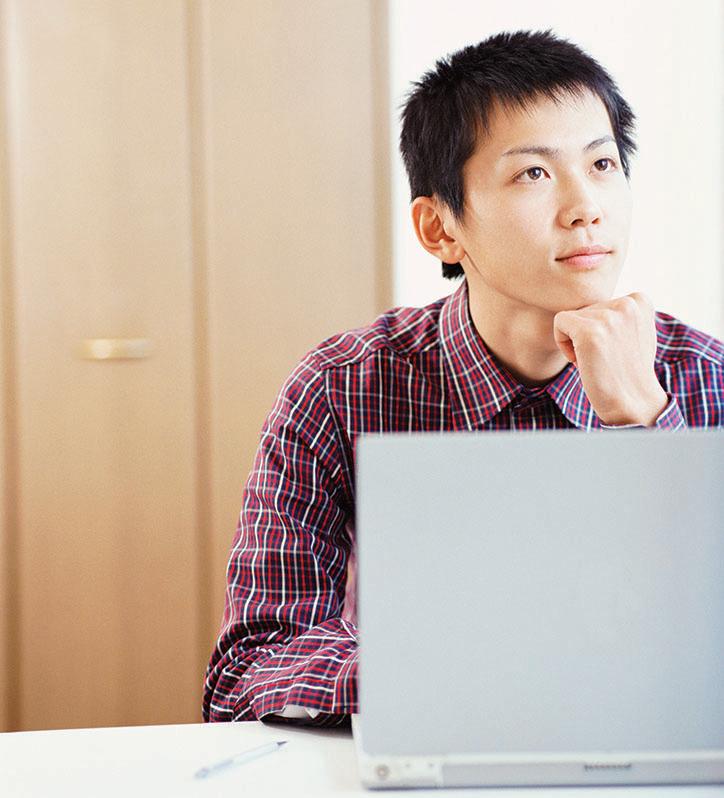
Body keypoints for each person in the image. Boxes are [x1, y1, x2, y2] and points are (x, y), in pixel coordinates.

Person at [202, 29, 724, 728]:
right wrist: (453, 675)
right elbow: (247, 672)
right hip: (427, 741)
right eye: (533, 173)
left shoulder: (704, 379)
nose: (586, 206)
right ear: (440, 229)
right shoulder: (342, 387)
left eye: (602, 163)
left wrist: (647, 424)